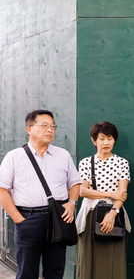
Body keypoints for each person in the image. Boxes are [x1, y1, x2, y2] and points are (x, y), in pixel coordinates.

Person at [0, 109, 82, 279]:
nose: (50, 130)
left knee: (55, 270)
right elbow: (2, 190)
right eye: (44, 126)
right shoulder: (14, 157)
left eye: (53, 126)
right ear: (29, 129)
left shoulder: (63, 155)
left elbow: (74, 183)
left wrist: (72, 202)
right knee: (27, 271)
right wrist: (18, 219)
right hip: (28, 219)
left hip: (58, 220)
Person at [75, 122, 131, 279]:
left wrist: (112, 213)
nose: (106, 142)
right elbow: (83, 191)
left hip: (115, 216)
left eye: (110, 138)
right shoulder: (86, 163)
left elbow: (122, 193)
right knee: (88, 260)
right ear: (94, 141)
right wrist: (111, 194)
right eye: (101, 138)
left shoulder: (122, 163)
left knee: (114, 261)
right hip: (91, 215)